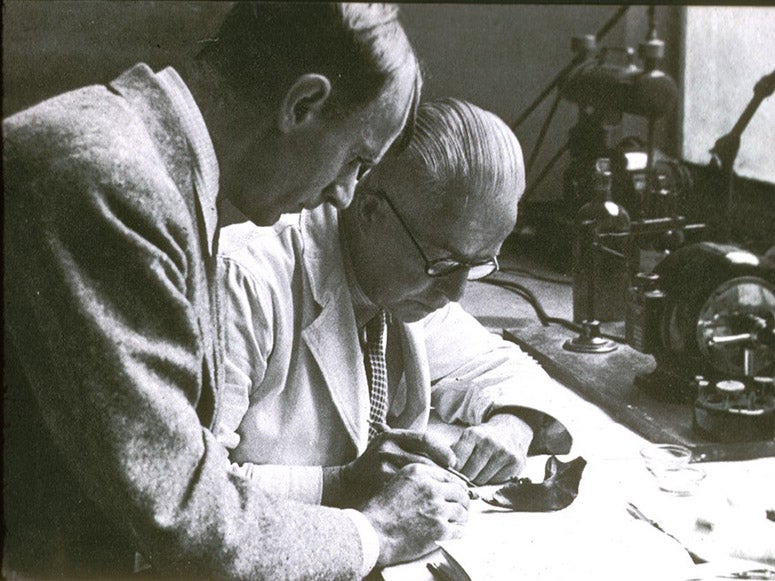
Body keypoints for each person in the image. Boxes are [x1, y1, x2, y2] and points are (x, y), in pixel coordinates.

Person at [3, 4, 469, 579]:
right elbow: (177, 510)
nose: (346, 195)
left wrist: (345, 487)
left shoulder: (157, 166)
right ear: (302, 105)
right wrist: (375, 533)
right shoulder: (112, 180)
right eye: (354, 159)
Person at [216, 98, 572, 507]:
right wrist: (343, 484)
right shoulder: (244, 283)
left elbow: (508, 369)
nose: (456, 293)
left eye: (477, 265)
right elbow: (194, 493)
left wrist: (515, 424)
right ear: (369, 211)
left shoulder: (404, 289)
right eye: (446, 262)